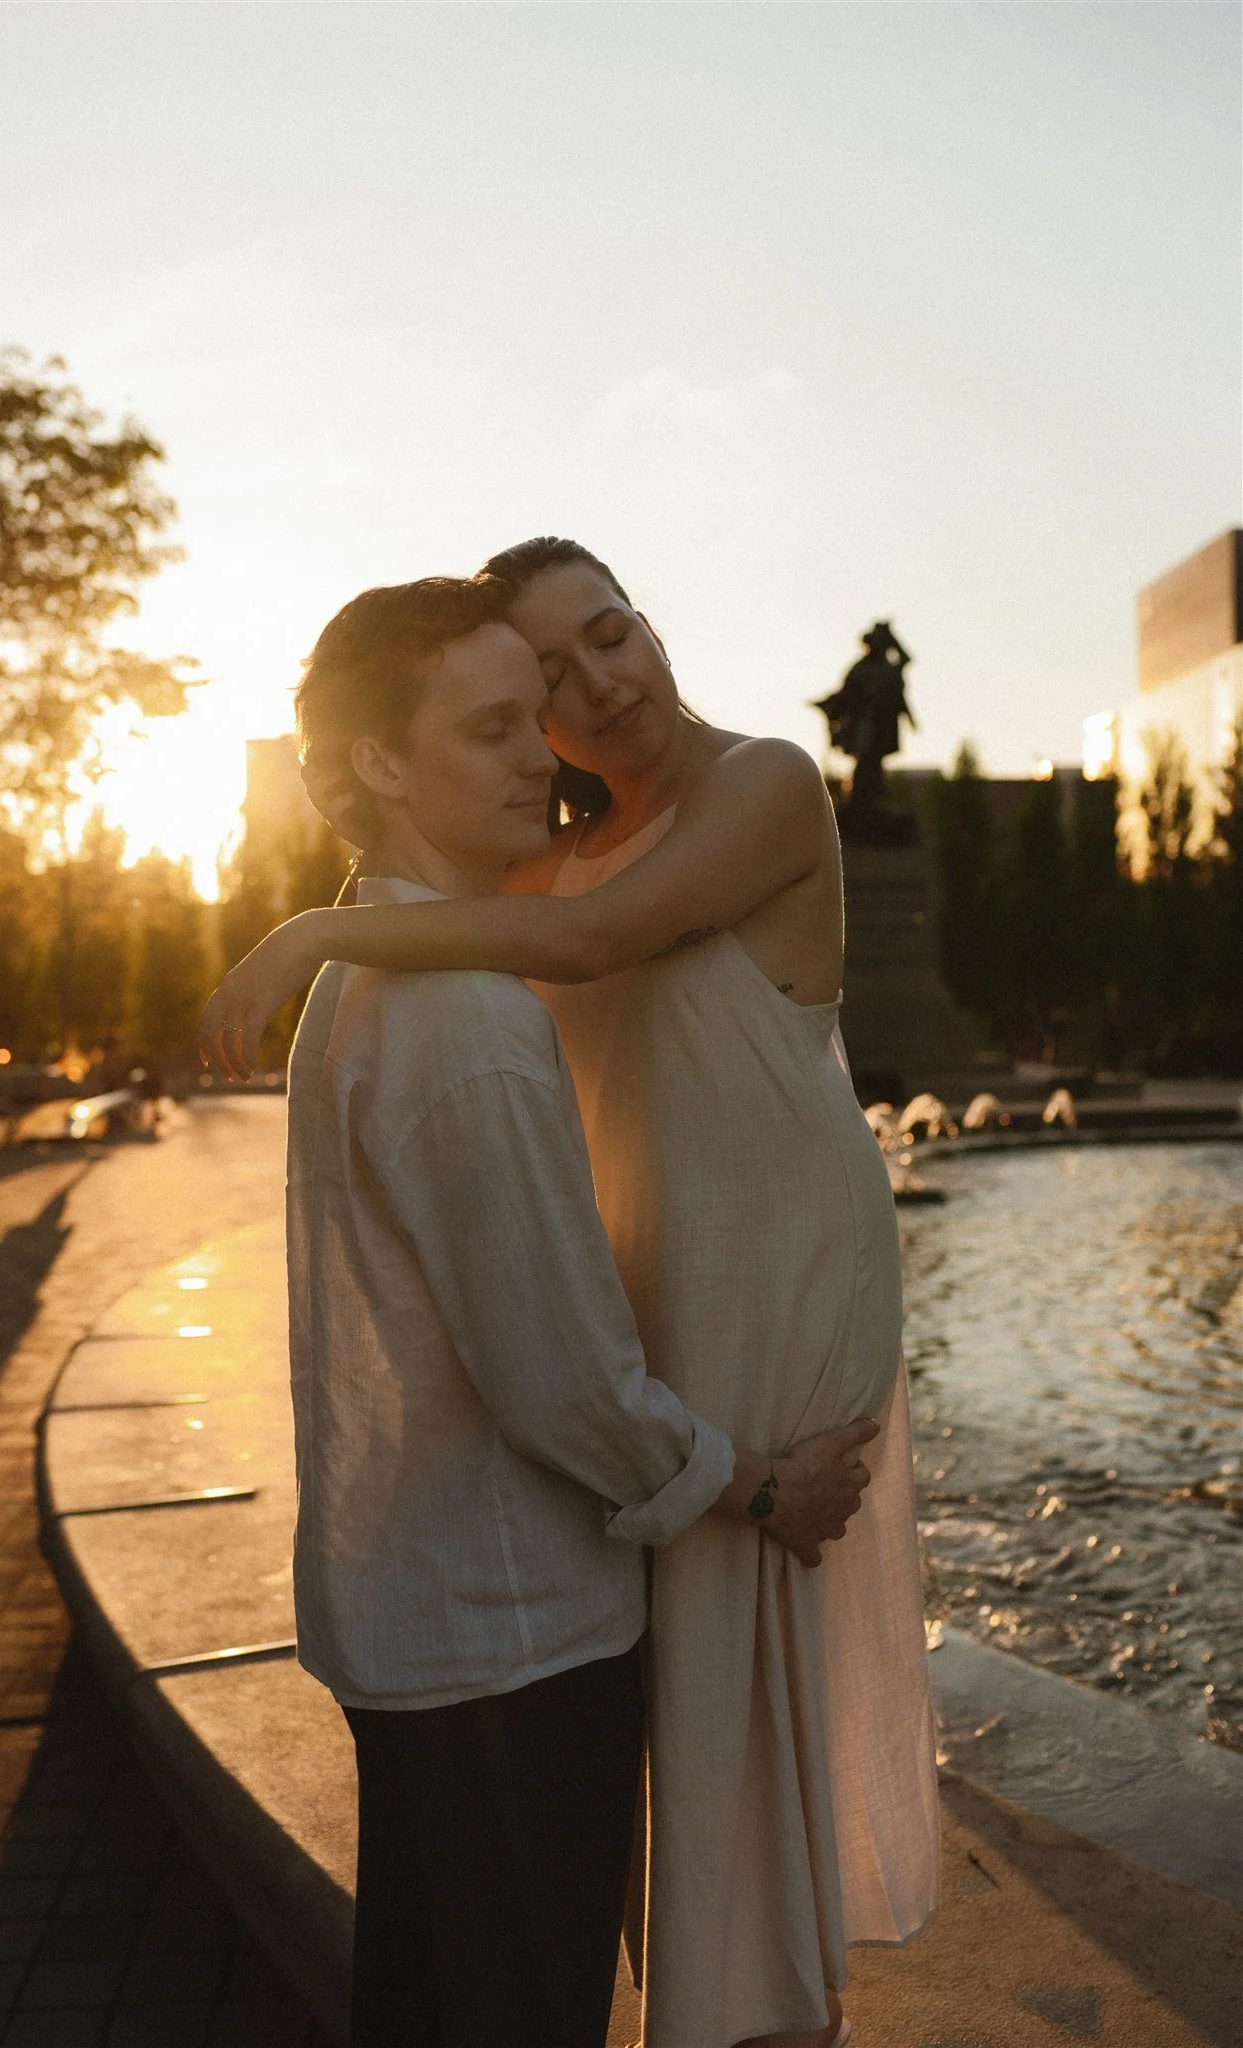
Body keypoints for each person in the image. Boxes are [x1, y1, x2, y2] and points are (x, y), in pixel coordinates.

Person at [204, 541, 941, 2048]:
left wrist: (314, 926)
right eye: (537, 692)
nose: (599, 686)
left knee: (743, 1811)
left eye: (614, 632)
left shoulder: (759, 789)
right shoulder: (514, 906)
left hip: (757, 1324)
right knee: (646, 1851)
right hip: (641, 1410)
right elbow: (525, 944)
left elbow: (592, 946)